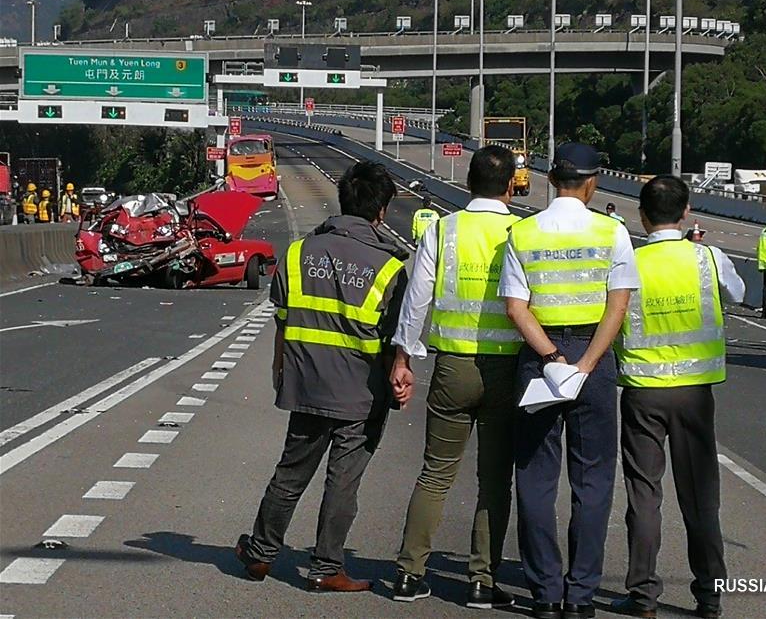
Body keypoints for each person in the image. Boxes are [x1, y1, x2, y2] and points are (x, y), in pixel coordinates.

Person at [235, 160, 408, 593]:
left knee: (290, 474)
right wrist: (398, 378)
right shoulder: (388, 266)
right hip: (361, 394)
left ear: (341, 200)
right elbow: (391, 337)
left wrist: (279, 368)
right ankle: (326, 567)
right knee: (342, 482)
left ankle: (259, 555)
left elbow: (282, 319)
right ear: (381, 211)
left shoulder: (297, 253)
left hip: (307, 384)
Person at [500, 142, 639, 619]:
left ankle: (544, 593)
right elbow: (616, 307)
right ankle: (580, 597)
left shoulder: (522, 233)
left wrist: (553, 357)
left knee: (535, 477)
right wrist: (585, 364)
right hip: (592, 362)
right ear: (591, 182)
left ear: (550, 180)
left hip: (539, 360)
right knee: (593, 479)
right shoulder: (613, 231)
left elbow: (516, 308)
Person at [390, 146, 522, 609]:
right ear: (511, 186)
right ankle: (481, 581)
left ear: (467, 182)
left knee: (435, 473)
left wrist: (404, 357)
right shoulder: (520, 232)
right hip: (506, 367)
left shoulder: (444, 230)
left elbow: (417, 299)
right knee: (494, 480)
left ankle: (409, 573)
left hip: (452, 366)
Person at [610, 175, 745, 619]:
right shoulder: (707, 258)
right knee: (701, 497)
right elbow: (738, 294)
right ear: (686, 212)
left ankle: (644, 597)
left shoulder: (628, 260)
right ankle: (709, 597)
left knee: (643, 497)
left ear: (641, 216)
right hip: (694, 394)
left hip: (643, 393)